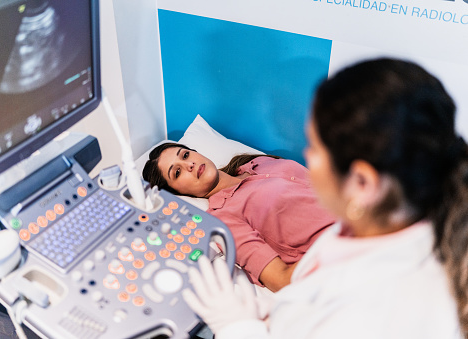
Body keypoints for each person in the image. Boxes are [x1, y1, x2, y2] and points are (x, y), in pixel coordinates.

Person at [181, 58, 468, 339]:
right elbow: (291, 278)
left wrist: (239, 329)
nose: (304, 158)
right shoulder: (369, 228)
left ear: (363, 183)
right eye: (176, 172)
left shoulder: (377, 309)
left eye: (314, 149)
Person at [143, 143, 335, 292]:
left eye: (185, 155)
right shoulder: (223, 220)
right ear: (178, 193)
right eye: (177, 172)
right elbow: (281, 279)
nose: (189, 165)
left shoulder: (257, 163)